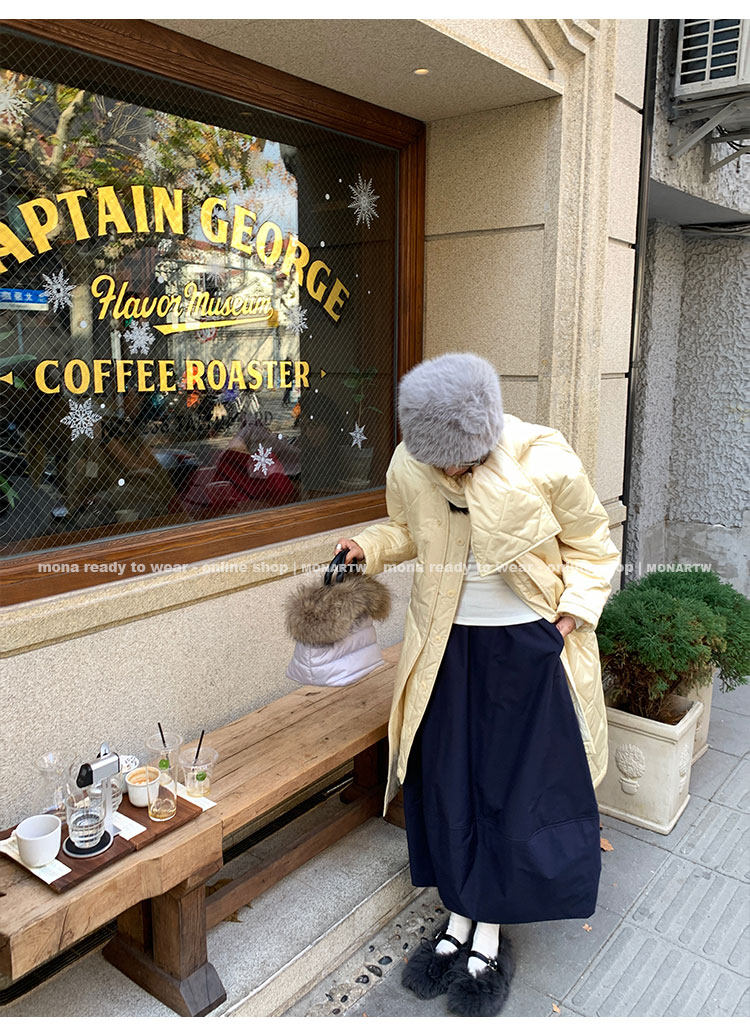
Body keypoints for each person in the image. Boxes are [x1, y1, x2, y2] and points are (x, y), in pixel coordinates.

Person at [333, 352, 621, 1017]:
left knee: (510, 791)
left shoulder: (542, 457)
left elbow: (592, 545)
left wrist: (570, 617)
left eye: (462, 465)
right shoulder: (411, 463)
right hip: (446, 646)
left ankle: (488, 932)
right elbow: (407, 529)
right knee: (449, 783)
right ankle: (458, 913)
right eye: (441, 466)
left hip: (526, 648)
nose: (451, 475)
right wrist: (368, 548)